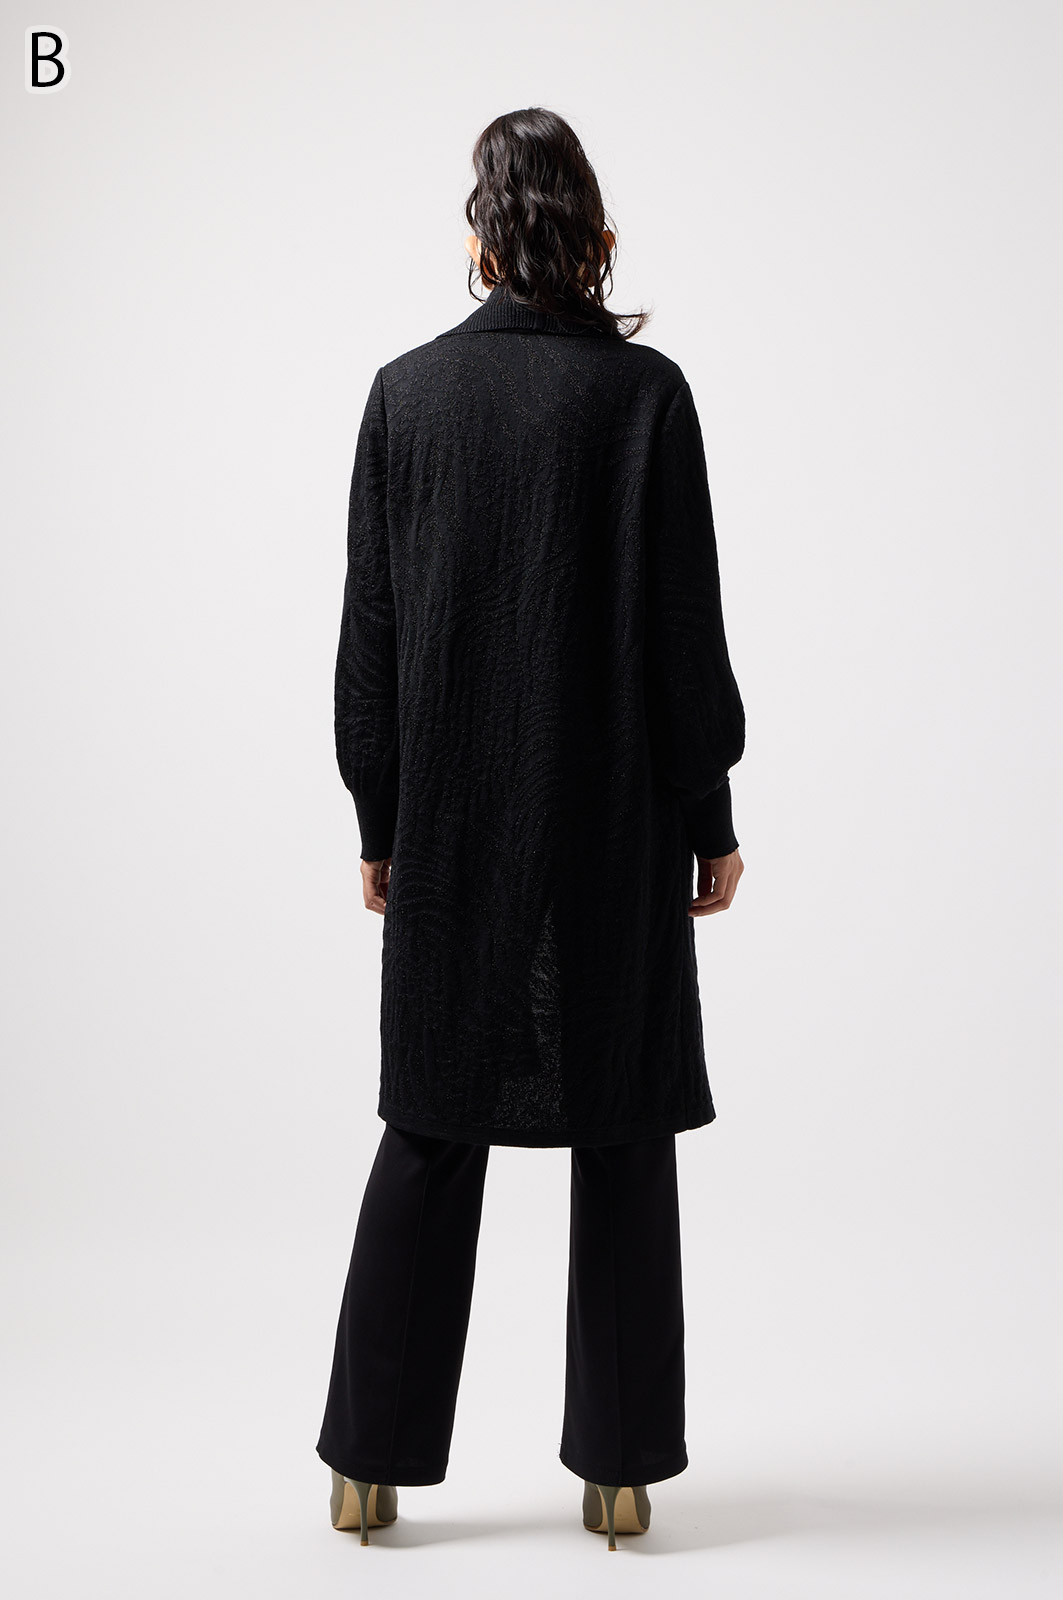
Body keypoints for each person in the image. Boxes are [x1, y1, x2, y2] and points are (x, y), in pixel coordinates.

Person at [315, 106, 746, 1551]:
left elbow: (370, 644)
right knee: (620, 1126)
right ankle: (619, 1475)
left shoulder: (407, 398)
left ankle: (366, 1468)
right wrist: (710, 816)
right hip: (616, 830)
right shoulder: (646, 399)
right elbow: (684, 637)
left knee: (433, 1123)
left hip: (453, 830)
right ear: (596, 238)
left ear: (480, 243)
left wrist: (380, 817)